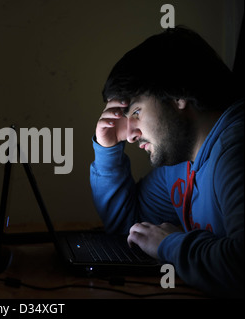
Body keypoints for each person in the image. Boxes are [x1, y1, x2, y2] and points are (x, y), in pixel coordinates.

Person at [90, 26, 243, 298]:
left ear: (177, 94)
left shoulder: (235, 150)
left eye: (136, 111)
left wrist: (170, 245)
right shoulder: (180, 163)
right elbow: (130, 229)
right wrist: (108, 150)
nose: (131, 134)